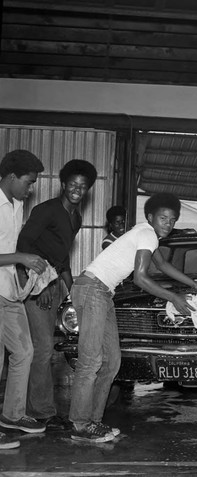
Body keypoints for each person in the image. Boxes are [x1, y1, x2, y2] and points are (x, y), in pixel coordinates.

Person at [68, 193, 197, 443]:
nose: (168, 223)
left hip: (103, 292)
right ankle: (80, 425)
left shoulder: (147, 235)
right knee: (90, 361)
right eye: (163, 218)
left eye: (172, 220)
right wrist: (173, 297)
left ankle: (94, 422)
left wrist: (196, 284)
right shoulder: (146, 233)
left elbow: (163, 266)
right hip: (92, 289)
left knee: (111, 362)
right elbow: (140, 279)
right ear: (150, 217)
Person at [17, 159, 97, 430]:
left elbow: (62, 258)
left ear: (87, 190)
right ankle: (39, 412)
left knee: (43, 347)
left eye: (82, 186)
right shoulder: (46, 210)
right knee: (42, 348)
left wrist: (73, 291)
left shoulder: (76, 218)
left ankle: (38, 408)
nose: (77, 189)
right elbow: (25, 244)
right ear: (63, 184)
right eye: (72, 184)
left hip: (52, 283)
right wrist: (35, 284)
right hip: (34, 282)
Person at [0, 150, 47, 447]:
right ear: (11, 177)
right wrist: (20, 257)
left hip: (7, 291)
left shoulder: (17, 205)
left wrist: (28, 270)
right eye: (28, 183)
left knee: (24, 351)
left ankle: (12, 415)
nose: (30, 190)